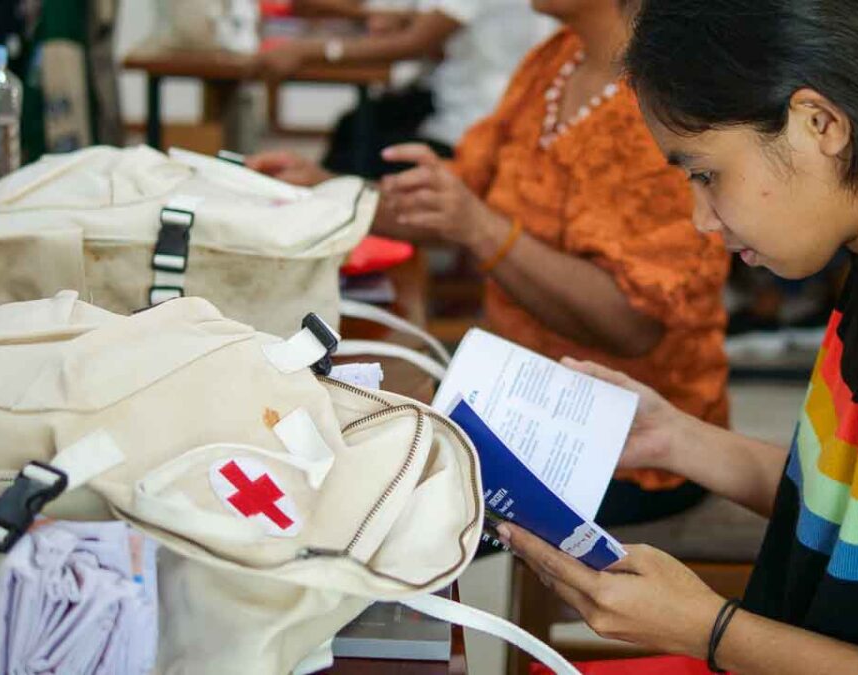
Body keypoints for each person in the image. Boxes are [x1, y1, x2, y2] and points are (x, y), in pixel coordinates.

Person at [500, 1, 858, 673]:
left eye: (704, 173)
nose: (702, 218)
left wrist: (709, 627)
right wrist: (673, 436)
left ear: (820, 124)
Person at [251, 0, 730, 527]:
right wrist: (328, 190)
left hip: (620, 447)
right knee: (311, 444)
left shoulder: (665, 101)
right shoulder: (557, 59)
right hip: (509, 395)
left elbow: (633, 326)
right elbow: (459, 192)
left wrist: (479, 227)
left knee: (357, 505)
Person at [256, 0, 555, 177]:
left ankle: (353, 241)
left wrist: (313, 50)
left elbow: (417, 42)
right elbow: (431, 25)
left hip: (475, 120)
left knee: (357, 156)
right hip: (474, 103)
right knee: (354, 126)